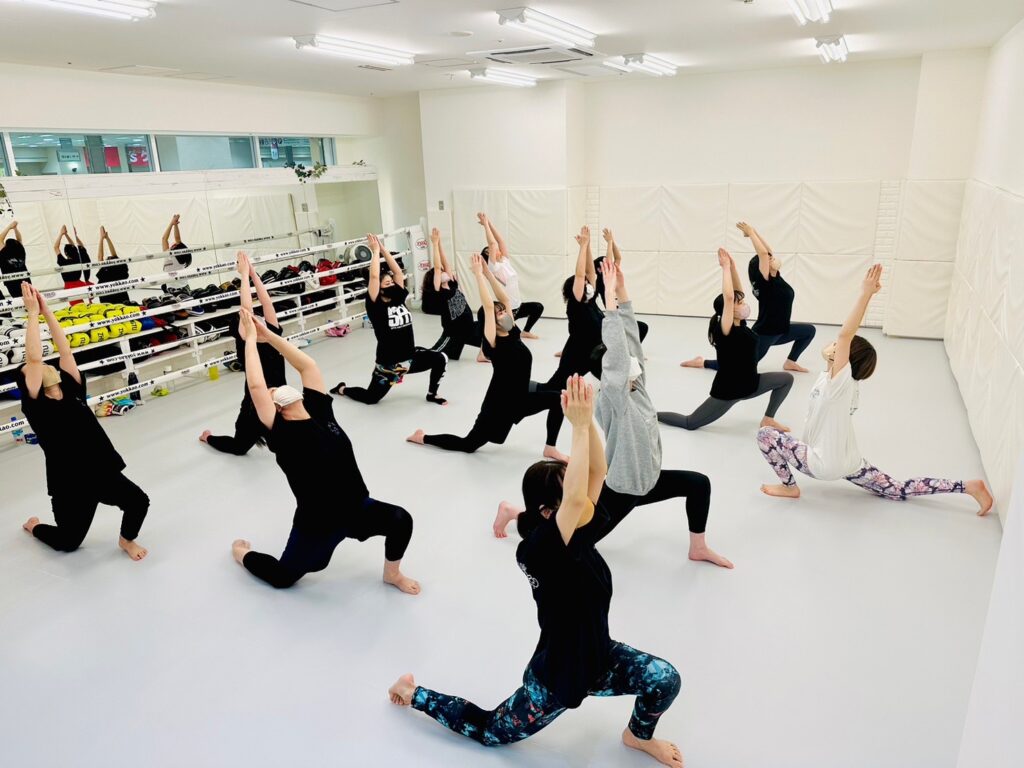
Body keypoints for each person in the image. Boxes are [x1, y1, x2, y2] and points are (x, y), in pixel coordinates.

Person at [389, 376, 684, 768]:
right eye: (569, 495)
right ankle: (412, 693)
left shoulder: (576, 530)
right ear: (547, 512)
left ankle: (637, 736)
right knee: (490, 731)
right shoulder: (543, 550)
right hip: (557, 678)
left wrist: (587, 421)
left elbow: (596, 473)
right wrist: (577, 427)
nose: (584, 497)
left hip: (601, 657)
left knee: (664, 679)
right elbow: (577, 495)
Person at [495, 260, 733, 570]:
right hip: (623, 488)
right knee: (574, 539)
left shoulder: (637, 385)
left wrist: (622, 291)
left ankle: (698, 547)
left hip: (646, 479)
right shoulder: (613, 397)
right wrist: (608, 299)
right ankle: (515, 513)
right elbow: (619, 353)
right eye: (621, 364)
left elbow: (630, 341)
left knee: (698, 484)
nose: (632, 363)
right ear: (608, 373)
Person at [756, 265, 994, 514]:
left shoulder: (839, 382)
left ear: (842, 355)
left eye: (837, 344)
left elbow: (846, 334)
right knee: (897, 489)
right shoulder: (843, 383)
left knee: (765, 435)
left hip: (822, 463)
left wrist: (866, 294)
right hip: (850, 462)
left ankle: (790, 487)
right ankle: (968, 487)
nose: (833, 343)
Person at [230, 307, 420, 593]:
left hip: (357, 508)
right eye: (271, 392)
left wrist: (268, 335)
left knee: (401, 520)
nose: (274, 387)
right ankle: (242, 554)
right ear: (276, 408)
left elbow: (307, 367)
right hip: (317, 523)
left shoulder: (319, 411)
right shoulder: (281, 433)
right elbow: (256, 385)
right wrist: (249, 341)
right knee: (284, 577)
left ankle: (392, 574)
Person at [16, 283, 149, 561]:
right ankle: (35, 526)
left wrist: (46, 312)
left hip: (102, 471)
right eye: (33, 369)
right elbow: (34, 357)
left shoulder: (73, 389)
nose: (43, 364)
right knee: (67, 542)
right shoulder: (36, 407)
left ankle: (126, 540)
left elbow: (64, 350)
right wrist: (31, 314)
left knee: (139, 501)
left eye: (46, 364)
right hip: (70, 484)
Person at [407, 253, 566, 460]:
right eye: (499, 314)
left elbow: (504, 299)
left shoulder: (513, 332)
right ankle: (422, 437)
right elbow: (489, 307)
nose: (504, 314)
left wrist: (489, 273)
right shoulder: (493, 344)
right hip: (499, 405)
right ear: (490, 321)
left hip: (521, 398)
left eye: (504, 312)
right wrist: (478, 275)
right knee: (468, 445)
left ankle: (550, 448)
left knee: (559, 399)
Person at [658, 248, 793, 432]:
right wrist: (725, 268)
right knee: (690, 423)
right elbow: (729, 297)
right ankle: (651, 414)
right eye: (740, 303)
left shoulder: (741, 323)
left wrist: (734, 267)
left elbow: (736, 293)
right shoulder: (725, 330)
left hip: (751, 384)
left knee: (786, 379)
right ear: (728, 310)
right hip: (729, 391)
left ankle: (768, 419)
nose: (744, 304)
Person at [331, 234, 448, 406]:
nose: (392, 284)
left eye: (391, 282)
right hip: (389, 365)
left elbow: (398, 272)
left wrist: (383, 250)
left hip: (410, 358)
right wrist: (374, 252)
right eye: (387, 284)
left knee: (440, 358)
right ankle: (342, 389)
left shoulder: (398, 296)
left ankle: (432, 394)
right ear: (379, 289)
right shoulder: (375, 305)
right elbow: (373, 277)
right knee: (371, 398)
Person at [682, 222, 815, 372]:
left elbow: (767, 252)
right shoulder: (766, 283)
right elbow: (763, 254)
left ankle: (790, 362)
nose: (771, 258)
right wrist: (751, 233)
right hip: (767, 334)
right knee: (738, 364)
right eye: (768, 260)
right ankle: (703, 362)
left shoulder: (775, 277)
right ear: (762, 269)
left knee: (809, 331)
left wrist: (754, 232)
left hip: (783, 330)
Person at [200, 252, 286, 455]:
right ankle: (208, 437)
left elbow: (266, 302)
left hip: (279, 400)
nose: (256, 318)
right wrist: (245, 274)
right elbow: (246, 308)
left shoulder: (271, 333)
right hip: (256, 404)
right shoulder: (249, 342)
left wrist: (252, 274)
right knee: (239, 447)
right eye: (250, 319)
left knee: (281, 441)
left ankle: (264, 433)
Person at [542, 226, 605, 389]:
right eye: (584, 283)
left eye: (587, 282)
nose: (588, 283)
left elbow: (590, 272)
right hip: (576, 355)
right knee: (555, 389)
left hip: (592, 354)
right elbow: (580, 274)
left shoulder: (590, 301)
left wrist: (588, 245)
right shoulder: (575, 305)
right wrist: (582, 248)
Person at [477, 212, 544, 339]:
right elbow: (493, 244)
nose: (496, 249)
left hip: (518, 306)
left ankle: (526, 331)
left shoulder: (505, 261)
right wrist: (485, 225)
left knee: (538, 307)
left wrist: (489, 223)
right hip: (508, 310)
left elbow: (500, 241)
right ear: (489, 256)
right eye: (490, 251)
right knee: (513, 336)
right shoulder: (493, 268)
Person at [421, 227, 483, 361]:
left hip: (467, 329)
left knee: (489, 328)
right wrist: (434, 244)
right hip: (453, 333)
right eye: (441, 273)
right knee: (433, 355)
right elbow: (438, 267)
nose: (444, 271)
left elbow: (445, 264)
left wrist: (439, 243)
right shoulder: (439, 292)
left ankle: (483, 352)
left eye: (444, 271)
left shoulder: (452, 284)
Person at [593, 228, 649, 343]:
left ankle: (629, 347)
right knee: (641, 327)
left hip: (621, 312)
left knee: (640, 328)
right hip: (615, 315)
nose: (610, 265)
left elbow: (618, 258)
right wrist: (609, 242)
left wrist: (612, 241)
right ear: (599, 269)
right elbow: (609, 261)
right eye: (605, 264)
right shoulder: (602, 281)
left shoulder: (611, 275)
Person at [54, 225, 93, 305]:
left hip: (70, 287)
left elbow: (56, 247)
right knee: (88, 299)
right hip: (80, 284)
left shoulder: (63, 262)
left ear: (65, 253)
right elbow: (75, 246)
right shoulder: (77, 259)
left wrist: (61, 234)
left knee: (77, 306)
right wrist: (66, 235)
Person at [95, 226, 132, 305]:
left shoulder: (104, 273)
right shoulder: (120, 270)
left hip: (107, 299)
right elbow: (114, 255)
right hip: (121, 298)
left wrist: (101, 239)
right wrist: (107, 238)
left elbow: (100, 257)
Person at [0, 220, 27, 299]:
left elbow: (0, 239)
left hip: (12, 282)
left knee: (20, 302)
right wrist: (15, 229)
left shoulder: (4, 253)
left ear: (6, 246)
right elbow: (19, 239)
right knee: (30, 299)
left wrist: (10, 227)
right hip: (25, 280)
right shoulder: (21, 252)